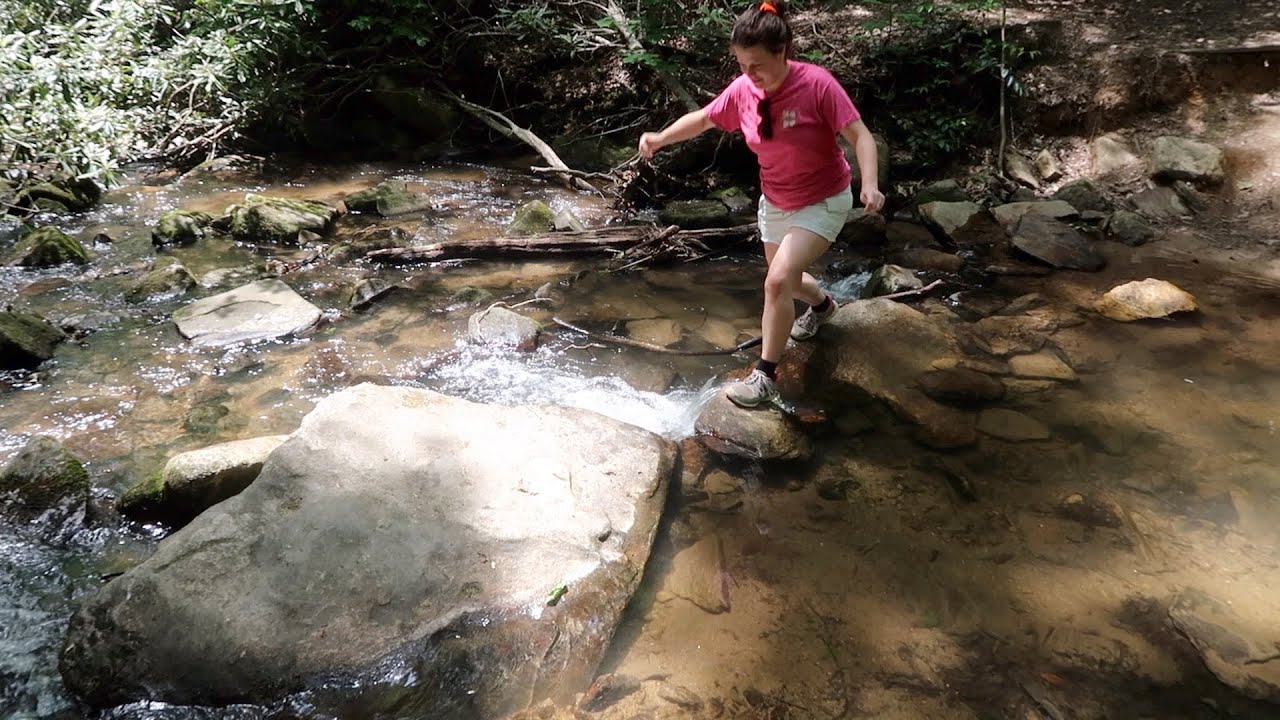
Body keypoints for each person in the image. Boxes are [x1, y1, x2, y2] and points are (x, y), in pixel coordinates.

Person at [638, 1, 884, 409]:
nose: (747, 75)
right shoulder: (743, 90)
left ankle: (765, 377)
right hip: (776, 200)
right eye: (740, 65)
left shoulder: (818, 85)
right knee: (784, 279)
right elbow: (703, 119)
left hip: (823, 199)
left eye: (755, 65)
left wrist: (870, 185)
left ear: (782, 51)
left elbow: (862, 137)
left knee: (775, 283)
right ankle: (823, 307)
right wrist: (660, 139)